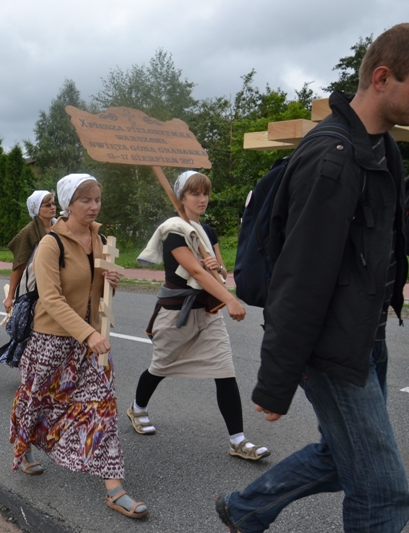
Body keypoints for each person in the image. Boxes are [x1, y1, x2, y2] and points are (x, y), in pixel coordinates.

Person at [216, 24, 409, 533]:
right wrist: (276, 382)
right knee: (382, 491)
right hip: (332, 347)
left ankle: (244, 510)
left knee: (341, 456)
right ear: (383, 78)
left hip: (365, 338)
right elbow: (300, 277)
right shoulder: (333, 158)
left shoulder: (381, 148)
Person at [9, 174, 147, 520]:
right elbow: (51, 298)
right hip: (51, 339)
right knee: (37, 400)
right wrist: (87, 334)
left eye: (97, 199)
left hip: (91, 342)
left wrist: (111, 283)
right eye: (85, 200)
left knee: (102, 405)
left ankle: (115, 489)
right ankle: (24, 446)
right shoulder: (51, 244)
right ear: (68, 203)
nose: (93, 206)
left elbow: (96, 296)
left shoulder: (100, 240)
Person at [133, 171, 268, 461]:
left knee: (225, 370)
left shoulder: (208, 232)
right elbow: (194, 271)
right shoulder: (173, 231)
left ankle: (238, 440)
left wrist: (217, 267)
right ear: (181, 198)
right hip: (176, 313)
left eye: (205, 193)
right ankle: (137, 408)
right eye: (195, 193)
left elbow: (218, 270)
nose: (202, 199)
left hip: (207, 313)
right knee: (160, 367)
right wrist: (230, 299)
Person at [3, 190, 57, 312]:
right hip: (33, 284)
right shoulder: (29, 232)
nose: (53, 207)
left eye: (54, 204)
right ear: (36, 209)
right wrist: (10, 296)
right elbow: (19, 266)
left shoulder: (60, 227)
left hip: (56, 282)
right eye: (48, 205)